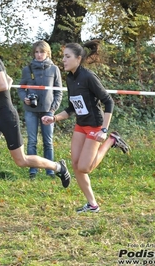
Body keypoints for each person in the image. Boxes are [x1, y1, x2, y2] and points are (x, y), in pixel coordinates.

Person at [0, 31, 71, 211]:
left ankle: (58, 167)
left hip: (6, 116)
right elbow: (8, 80)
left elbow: (2, 85)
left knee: (21, 160)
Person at [42, 40, 131, 213]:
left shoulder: (88, 77)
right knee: (76, 166)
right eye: (63, 56)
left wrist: (104, 130)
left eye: (67, 57)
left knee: (85, 167)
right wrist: (54, 118)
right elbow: (71, 108)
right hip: (80, 126)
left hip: (95, 125)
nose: (64, 60)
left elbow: (108, 101)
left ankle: (112, 140)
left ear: (78, 58)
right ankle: (92, 204)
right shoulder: (70, 78)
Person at [18, 40, 62, 179]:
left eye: (41, 52)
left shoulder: (54, 69)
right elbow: (20, 88)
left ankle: (50, 171)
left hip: (48, 110)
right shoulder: (27, 69)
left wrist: (53, 108)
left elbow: (59, 91)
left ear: (47, 53)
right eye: (36, 52)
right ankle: (33, 171)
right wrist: (24, 97)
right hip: (31, 110)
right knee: (32, 141)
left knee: (48, 141)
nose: (38, 55)